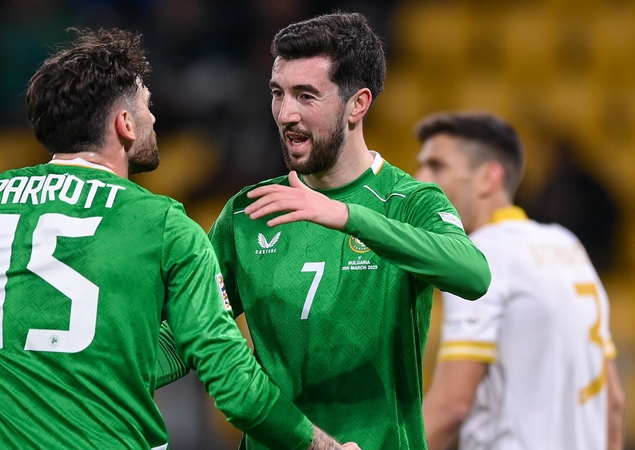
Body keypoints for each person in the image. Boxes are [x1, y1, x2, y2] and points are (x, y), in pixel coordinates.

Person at [0, 28, 355, 450]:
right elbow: (236, 389)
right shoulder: (165, 224)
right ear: (123, 125)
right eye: (147, 106)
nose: (154, 118)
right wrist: (317, 443)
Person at [158, 12, 491, 449]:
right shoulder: (248, 212)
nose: (286, 114)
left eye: (306, 95)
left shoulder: (408, 203)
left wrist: (348, 216)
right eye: (278, 93)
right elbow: (186, 335)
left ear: (358, 104)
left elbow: (473, 275)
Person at [414, 111, 626, 450]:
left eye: (437, 166)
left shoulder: (483, 255)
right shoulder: (567, 246)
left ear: (487, 178)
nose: (420, 179)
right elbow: (613, 403)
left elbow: (451, 406)